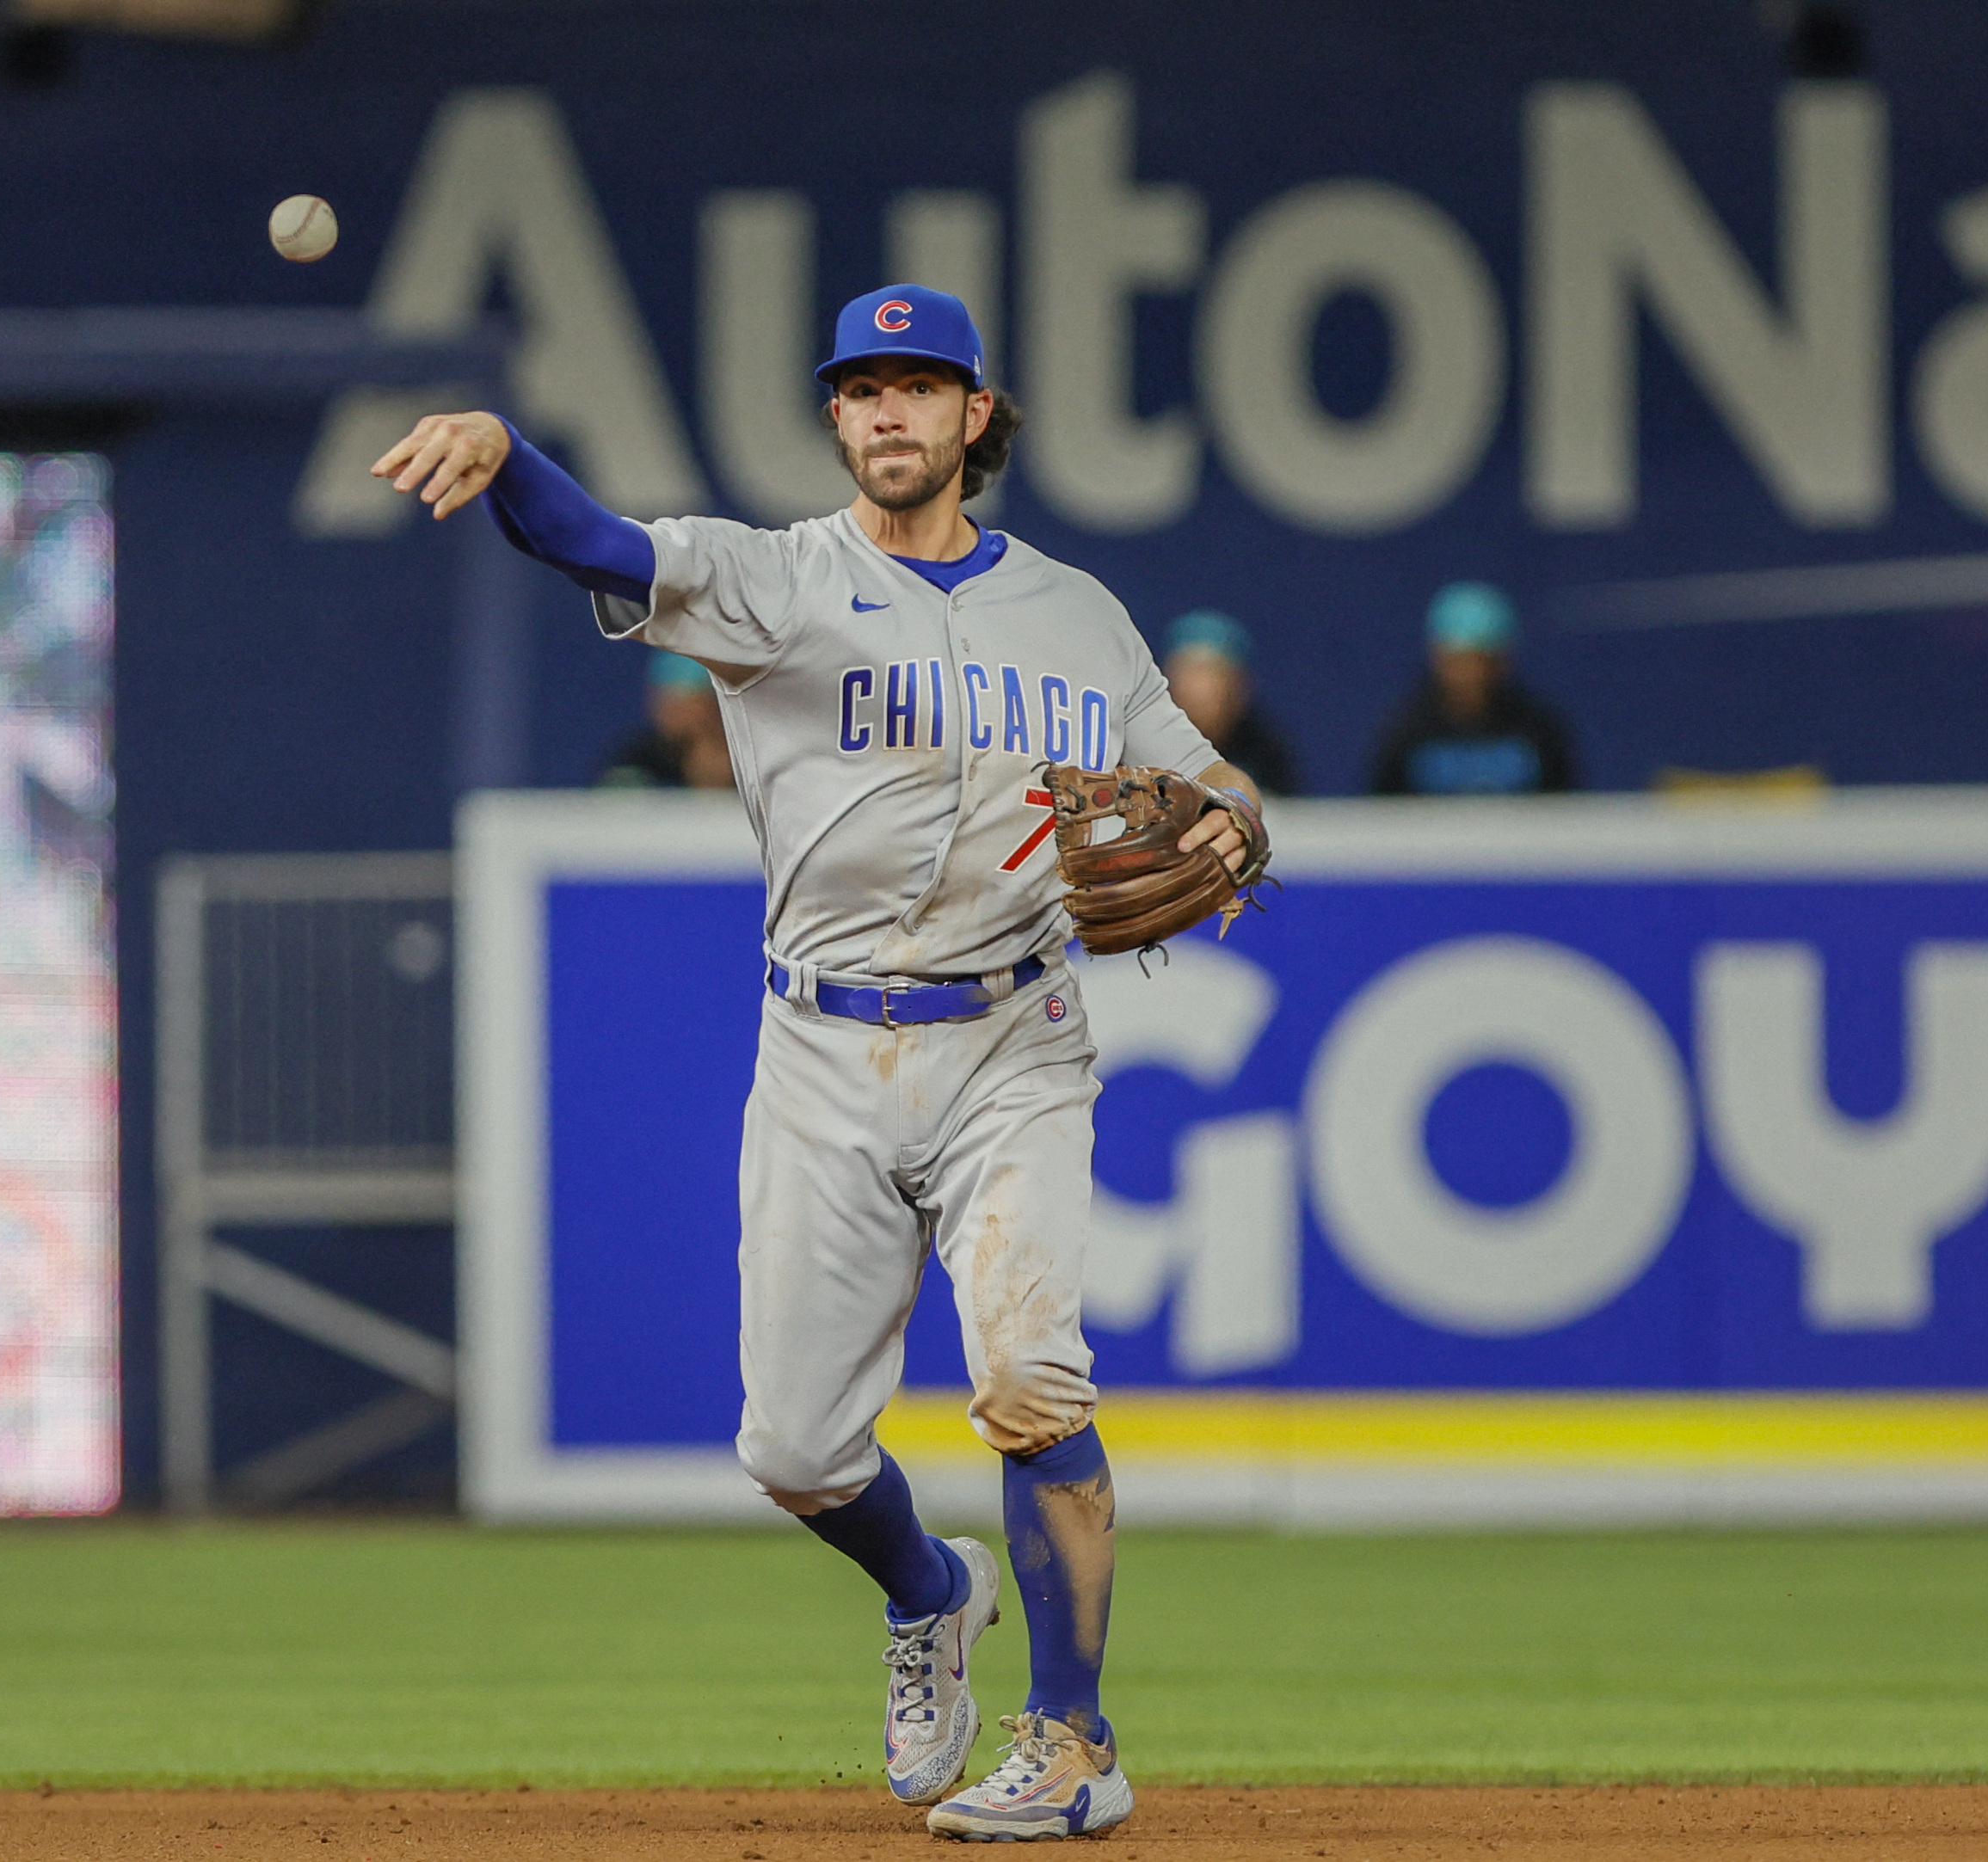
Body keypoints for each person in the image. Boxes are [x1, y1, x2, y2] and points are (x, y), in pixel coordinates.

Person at [373, 284, 1261, 1842]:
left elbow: (1202, 781)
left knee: (1024, 1373)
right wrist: (507, 450)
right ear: (837, 419)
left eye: (920, 387)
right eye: (861, 391)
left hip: (1015, 1038)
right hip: (822, 1048)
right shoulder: (774, 579)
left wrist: (1234, 822)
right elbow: (599, 544)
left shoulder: (1078, 614)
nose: (889, 414)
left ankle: (1073, 1741)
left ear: (977, 416)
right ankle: (929, 1598)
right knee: (791, 1449)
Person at [1368, 581, 1579, 796]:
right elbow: (1384, 812)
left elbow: (1563, 809)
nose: (1472, 674)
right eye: (1459, 661)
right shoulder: (1407, 732)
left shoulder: (1538, 730)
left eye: (1483, 660)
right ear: (1437, 658)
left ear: (1504, 661)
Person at [1160, 609, 1298, 796]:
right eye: (1187, 673)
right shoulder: (1142, 742)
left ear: (1237, 684)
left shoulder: (1264, 753)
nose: (1197, 689)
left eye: (1210, 673)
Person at [600, 648, 734, 790]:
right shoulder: (638, 761)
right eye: (664, 698)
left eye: (682, 698)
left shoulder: (747, 755)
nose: (671, 711)